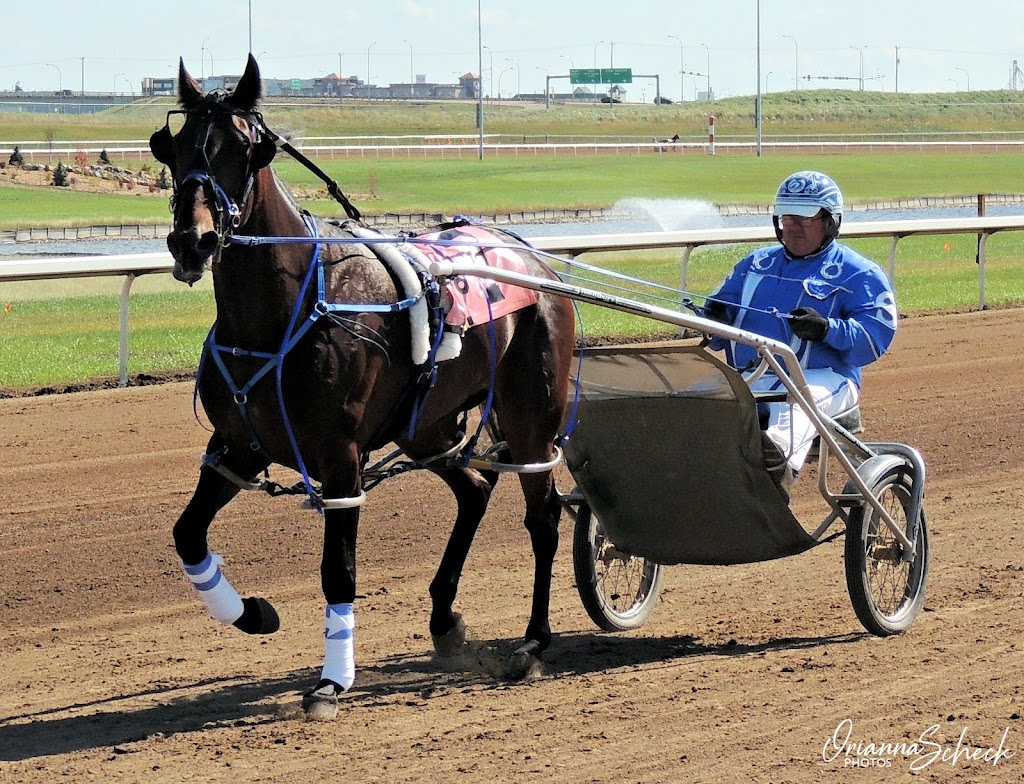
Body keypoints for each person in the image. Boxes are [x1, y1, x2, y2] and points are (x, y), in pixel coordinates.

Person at [701, 170, 898, 496]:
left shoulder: (859, 273)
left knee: (793, 400)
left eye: (804, 219)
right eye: (787, 218)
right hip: (753, 377)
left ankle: (770, 482)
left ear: (830, 222)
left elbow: (875, 340)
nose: (792, 227)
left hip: (825, 380)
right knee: (690, 401)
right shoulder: (755, 265)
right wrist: (715, 317)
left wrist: (827, 330)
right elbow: (718, 325)